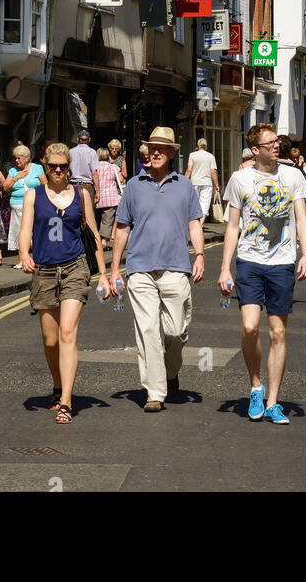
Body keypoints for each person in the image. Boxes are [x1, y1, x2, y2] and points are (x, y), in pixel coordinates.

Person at [219, 122, 306, 424]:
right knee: (249, 328)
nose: (276, 146)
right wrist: (224, 268)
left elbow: (301, 219)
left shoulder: (293, 175)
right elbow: (232, 226)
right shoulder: (240, 179)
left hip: (282, 262)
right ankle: (255, 384)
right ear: (255, 149)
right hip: (249, 261)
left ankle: (272, 402)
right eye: (270, 142)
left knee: (278, 332)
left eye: (277, 141)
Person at [109, 127, 204, 412]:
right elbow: (122, 228)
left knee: (176, 330)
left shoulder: (184, 185)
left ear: (173, 152)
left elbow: (194, 223)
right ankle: (154, 391)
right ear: (147, 152)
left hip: (176, 266)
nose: (157, 151)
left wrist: (199, 255)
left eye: (163, 147)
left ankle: (170, 370)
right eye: (153, 147)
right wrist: (115, 269)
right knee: (147, 330)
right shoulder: (134, 186)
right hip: (139, 268)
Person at [19, 142, 109, 423]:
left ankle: (67, 401)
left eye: (63, 166)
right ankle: (57, 385)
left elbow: (94, 235)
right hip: (44, 271)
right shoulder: (33, 196)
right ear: (45, 168)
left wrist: (104, 274)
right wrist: (24, 253)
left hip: (75, 268)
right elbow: (25, 231)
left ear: (69, 168)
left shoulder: (81, 195)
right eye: (53, 166)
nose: (58, 171)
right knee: (50, 340)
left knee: (67, 332)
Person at [4, 145, 44, 266]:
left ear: (26, 158)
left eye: (19, 158)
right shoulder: (13, 171)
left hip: (34, 205)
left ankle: (36, 258)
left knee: (35, 232)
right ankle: (22, 260)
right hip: (17, 206)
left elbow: (44, 184)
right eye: (15, 158)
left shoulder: (37, 168)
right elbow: (5, 187)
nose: (16, 161)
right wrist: (16, 177)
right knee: (19, 232)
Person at [94, 146, 124, 248]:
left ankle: (96, 239)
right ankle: (103, 240)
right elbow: (121, 180)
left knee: (96, 219)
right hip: (111, 198)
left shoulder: (94, 168)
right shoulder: (114, 167)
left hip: (97, 197)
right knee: (107, 220)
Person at [185, 138, 220, 222]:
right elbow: (213, 172)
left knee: (194, 203)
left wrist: (185, 182)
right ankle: (200, 224)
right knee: (205, 204)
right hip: (207, 183)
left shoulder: (192, 155)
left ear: (198, 145)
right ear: (206, 146)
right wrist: (216, 184)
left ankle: (195, 223)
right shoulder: (210, 156)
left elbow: (189, 169)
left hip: (194, 182)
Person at [69, 130, 100, 205]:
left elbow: (67, 172)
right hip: (87, 187)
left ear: (77, 139)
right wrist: (98, 191)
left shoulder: (70, 152)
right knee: (89, 213)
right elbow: (94, 173)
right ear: (89, 140)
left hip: (73, 186)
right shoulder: (92, 152)